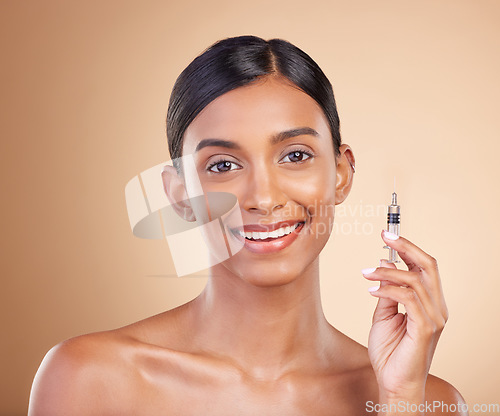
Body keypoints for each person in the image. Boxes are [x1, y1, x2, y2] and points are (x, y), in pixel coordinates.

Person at [28, 35, 467, 416]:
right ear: (179, 194)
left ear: (341, 173)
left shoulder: (433, 402)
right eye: (223, 164)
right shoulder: (88, 379)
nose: (263, 198)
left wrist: (402, 398)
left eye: (295, 155)